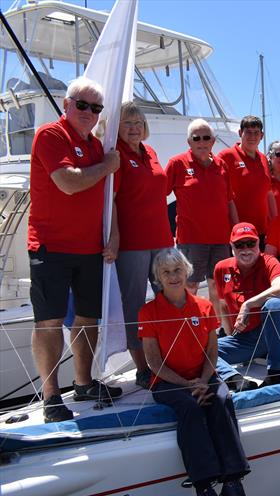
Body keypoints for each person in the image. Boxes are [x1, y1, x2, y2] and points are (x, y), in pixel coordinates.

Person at [28, 76, 122, 422]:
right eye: (81, 105)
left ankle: (83, 383)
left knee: (87, 318)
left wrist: (113, 237)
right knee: (49, 321)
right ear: (67, 104)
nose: (88, 112)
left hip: (89, 249)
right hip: (50, 246)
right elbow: (68, 182)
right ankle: (51, 395)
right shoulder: (51, 135)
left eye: (95, 107)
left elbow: (107, 198)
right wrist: (106, 166)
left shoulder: (98, 147)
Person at [139, 248, 250, 496]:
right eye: (166, 272)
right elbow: (153, 363)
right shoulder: (149, 312)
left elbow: (212, 352)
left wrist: (202, 380)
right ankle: (204, 488)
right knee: (190, 407)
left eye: (177, 270)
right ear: (158, 278)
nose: (173, 276)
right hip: (167, 381)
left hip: (203, 375)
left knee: (223, 399)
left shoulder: (204, 306)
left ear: (187, 271)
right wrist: (189, 385)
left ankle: (233, 481)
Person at [115, 101, 173, 389]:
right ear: (117, 127)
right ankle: (143, 368)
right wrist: (113, 238)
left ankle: (171, 357)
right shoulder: (116, 154)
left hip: (162, 239)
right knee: (135, 306)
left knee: (170, 299)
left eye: (138, 123)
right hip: (133, 242)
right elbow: (109, 202)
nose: (134, 128)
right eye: (127, 123)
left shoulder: (150, 152)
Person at [165, 119, 238, 321]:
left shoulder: (221, 166)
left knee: (218, 287)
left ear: (213, 141)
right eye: (197, 138)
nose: (202, 142)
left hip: (220, 240)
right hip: (191, 239)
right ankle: (187, 326)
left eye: (206, 137)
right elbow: (158, 195)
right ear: (189, 141)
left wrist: (237, 230)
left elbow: (229, 201)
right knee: (190, 285)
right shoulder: (177, 164)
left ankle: (216, 328)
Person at [214, 223, 280, 389]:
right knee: (201, 348)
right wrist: (231, 333)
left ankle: (274, 374)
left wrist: (248, 305)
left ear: (259, 244)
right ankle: (236, 380)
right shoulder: (221, 268)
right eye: (239, 245)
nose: (246, 249)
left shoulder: (269, 261)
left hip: (279, 330)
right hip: (248, 339)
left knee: (274, 304)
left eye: (251, 243)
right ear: (231, 247)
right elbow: (222, 305)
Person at [218, 116, 271, 247]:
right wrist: (235, 227)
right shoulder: (226, 156)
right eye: (248, 132)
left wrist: (273, 225)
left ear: (262, 135)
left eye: (256, 132)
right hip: (238, 233)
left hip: (261, 231)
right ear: (240, 133)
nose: (252, 136)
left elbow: (268, 193)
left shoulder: (263, 159)